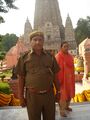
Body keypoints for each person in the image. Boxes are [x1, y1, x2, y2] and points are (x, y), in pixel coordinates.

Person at [16, 30, 60, 120]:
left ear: (43, 41)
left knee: (50, 118)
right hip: (32, 96)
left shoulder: (50, 57)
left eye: (40, 40)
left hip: (49, 94)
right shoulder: (24, 58)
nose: (38, 42)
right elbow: (21, 78)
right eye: (35, 40)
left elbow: (55, 75)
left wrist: (58, 91)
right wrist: (21, 97)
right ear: (30, 41)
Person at [55, 41, 75, 117]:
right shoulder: (58, 56)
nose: (66, 48)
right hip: (62, 80)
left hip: (70, 79)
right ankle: (62, 110)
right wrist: (58, 81)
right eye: (64, 46)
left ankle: (66, 106)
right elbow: (57, 70)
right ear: (61, 47)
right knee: (63, 96)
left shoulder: (70, 56)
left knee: (69, 94)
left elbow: (72, 68)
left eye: (67, 46)